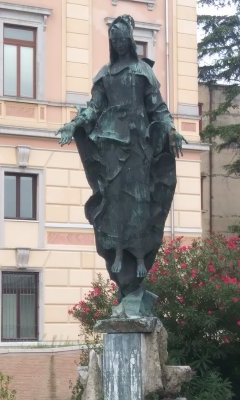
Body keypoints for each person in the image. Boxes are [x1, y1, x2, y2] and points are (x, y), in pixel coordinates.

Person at [57, 15, 186, 316]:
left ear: (129, 39)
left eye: (120, 37)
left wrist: (171, 130)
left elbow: (158, 108)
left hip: (138, 148)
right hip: (111, 148)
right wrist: (74, 123)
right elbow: (93, 108)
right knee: (115, 204)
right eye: (112, 37)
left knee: (139, 203)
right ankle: (117, 253)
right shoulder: (104, 75)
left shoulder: (143, 72)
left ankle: (139, 258)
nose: (116, 41)